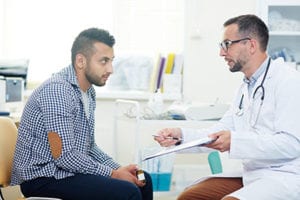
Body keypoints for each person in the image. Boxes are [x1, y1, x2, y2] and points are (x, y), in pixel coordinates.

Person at [154, 14, 300, 200]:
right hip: (251, 175)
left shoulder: (289, 81)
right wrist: (180, 136)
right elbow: (220, 131)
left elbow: (291, 145)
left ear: (251, 45)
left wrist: (235, 141)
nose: (222, 53)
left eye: (227, 44)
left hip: (284, 177)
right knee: (189, 197)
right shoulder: (246, 86)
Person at [11, 28, 153, 200]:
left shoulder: (88, 92)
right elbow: (64, 156)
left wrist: (119, 169)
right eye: (103, 61)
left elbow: (90, 147)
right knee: (127, 192)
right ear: (81, 61)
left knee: (143, 179)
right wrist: (114, 174)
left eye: (111, 61)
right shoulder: (57, 92)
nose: (111, 69)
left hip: (67, 172)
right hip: (43, 178)